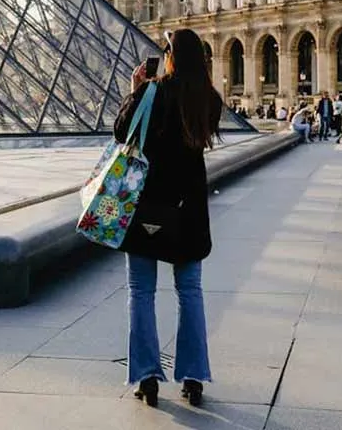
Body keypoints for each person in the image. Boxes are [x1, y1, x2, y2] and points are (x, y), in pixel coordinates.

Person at [115, 28, 219, 409]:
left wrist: (135, 88)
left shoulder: (151, 92)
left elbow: (121, 134)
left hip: (146, 206)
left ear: (171, 56)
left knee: (140, 293)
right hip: (188, 211)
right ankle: (193, 378)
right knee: (189, 293)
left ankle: (147, 377)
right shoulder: (209, 99)